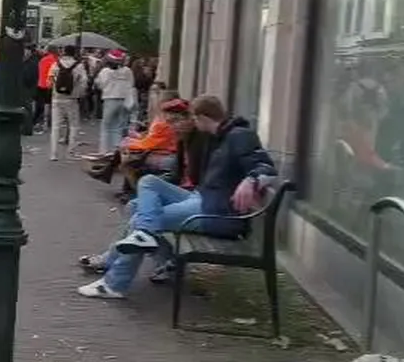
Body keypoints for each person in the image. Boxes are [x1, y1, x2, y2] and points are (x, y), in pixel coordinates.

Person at [77, 94, 277, 298]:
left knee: (141, 219)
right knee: (146, 187)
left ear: (201, 118)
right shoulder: (217, 137)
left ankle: (115, 284)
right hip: (203, 199)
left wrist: (251, 180)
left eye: (193, 118)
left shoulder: (240, 135)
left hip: (217, 213)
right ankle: (153, 252)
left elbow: (267, 168)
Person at [48, 45, 88, 160]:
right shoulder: (79, 66)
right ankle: (71, 152)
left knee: (56, 126)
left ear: (64, 52)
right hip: (72, 99)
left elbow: (50, 81)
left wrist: (54, 89)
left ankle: (53, 153)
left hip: (57, 98)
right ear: (74, 53)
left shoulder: (56, 64)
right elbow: (84, 82)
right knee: (74, 126)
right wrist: (79, 93)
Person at [95, 49, 135, 153]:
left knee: (106, 126)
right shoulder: (128, 71)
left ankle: (104, 151)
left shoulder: (105, 71)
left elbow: (100, 85)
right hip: (125, 100)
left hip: (110, 99)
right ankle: (116, 151)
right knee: (118, 127)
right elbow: (131, 84)